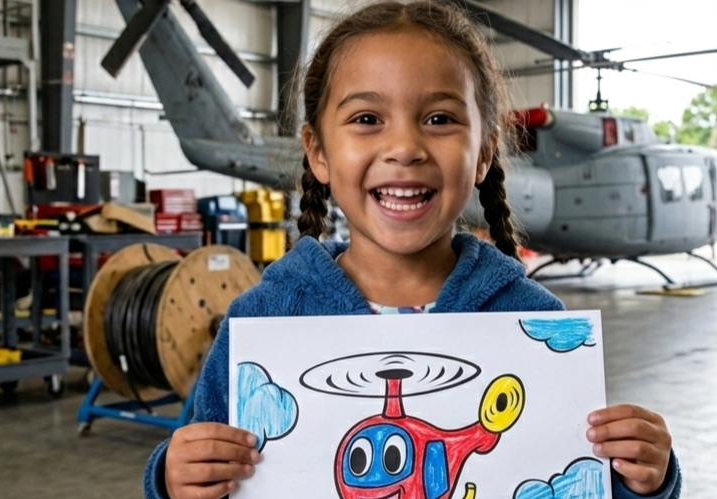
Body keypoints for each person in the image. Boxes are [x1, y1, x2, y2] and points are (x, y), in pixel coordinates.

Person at [145, 2, 681, 499]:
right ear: (317, 153)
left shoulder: (536, 324)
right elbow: (203, 461)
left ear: (483, 153)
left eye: (440, 119)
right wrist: (174, 477)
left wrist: (643, 478)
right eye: (366, 119)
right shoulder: (260, 320)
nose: (404, 148)